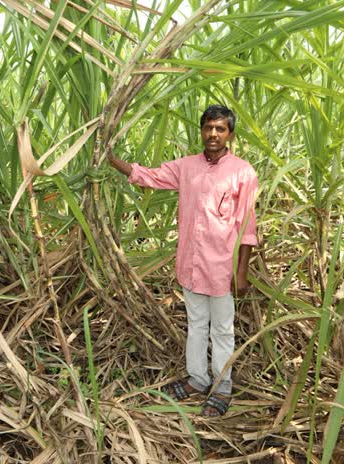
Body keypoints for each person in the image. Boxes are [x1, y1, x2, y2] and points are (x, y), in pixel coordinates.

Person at [107, 104, 258, 417]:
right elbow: (148, 176)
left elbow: (248, 226)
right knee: (196, 325)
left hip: (220, 268)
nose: (213, 134)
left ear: (230, 133)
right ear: (201, 131)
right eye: (208, 128)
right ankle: (197, 380)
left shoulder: (242, 172)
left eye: (220, 129)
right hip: (190, 264)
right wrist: (112, 160)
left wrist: (240, 273)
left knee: (222, 330)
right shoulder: (186, 166)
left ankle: (222, 386)